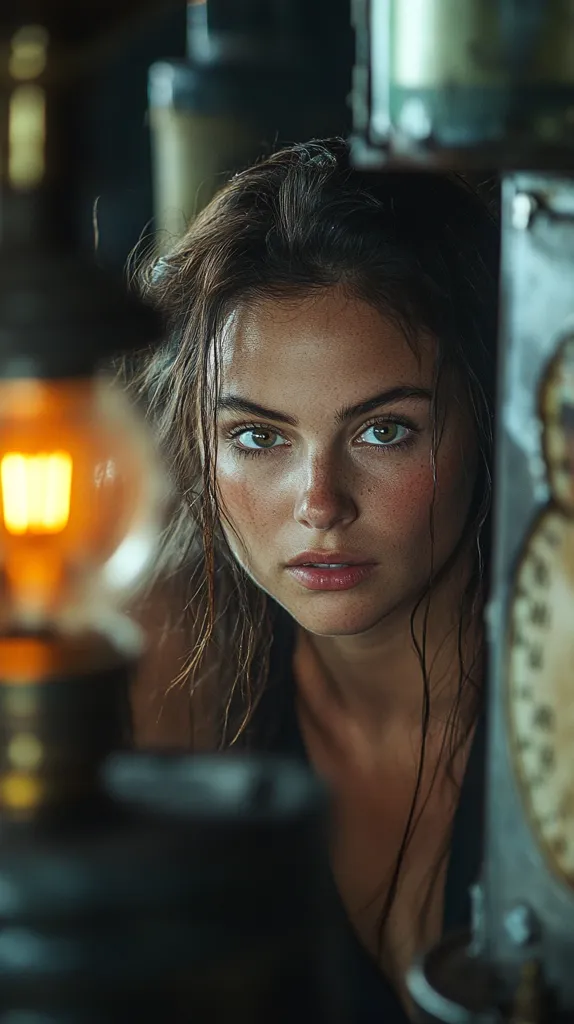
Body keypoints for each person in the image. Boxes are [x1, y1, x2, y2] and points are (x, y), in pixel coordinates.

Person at [127, 139, 499, 1023]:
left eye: (385, 432)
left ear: (487, 423)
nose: (320, 503)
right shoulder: (173, 680)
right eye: (260, 438)